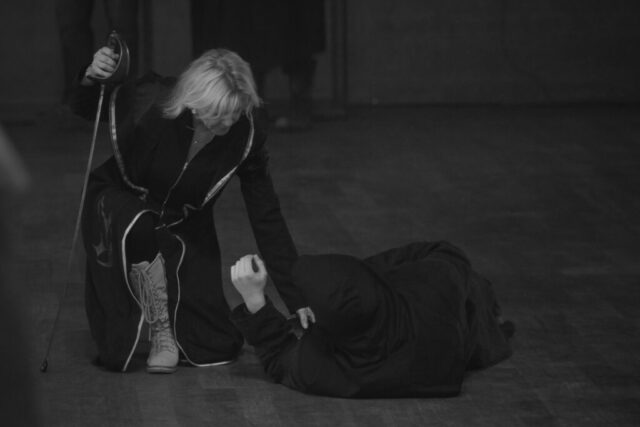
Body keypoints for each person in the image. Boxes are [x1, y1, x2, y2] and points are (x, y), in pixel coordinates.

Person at [71, 46, 312, 373]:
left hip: (182, 222)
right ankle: (160, 328)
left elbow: (266, 215)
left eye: (235, 112)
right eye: (217, 113)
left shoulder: (246, 135)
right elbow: (88, 107)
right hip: (121, 202)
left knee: (215, 344)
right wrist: (90, 76)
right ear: (193, 101)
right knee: (139, 224)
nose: (227, 122)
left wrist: (298, 297)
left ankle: (172, 312)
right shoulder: (151, 98)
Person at [230, 241, 514, 398]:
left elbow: (278, 358)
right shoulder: (435, 284)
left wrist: (254, 298)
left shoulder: (331, 371)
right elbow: (448, 254)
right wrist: (368, 275)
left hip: (462, 319)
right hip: (457, 322)